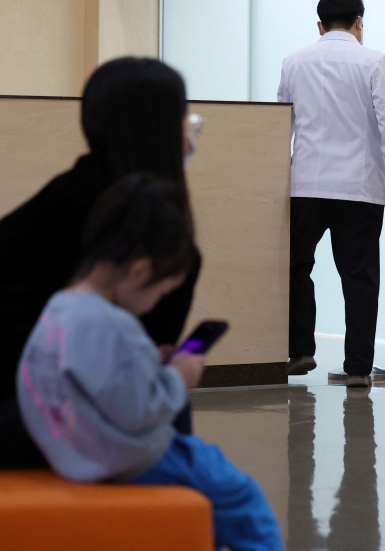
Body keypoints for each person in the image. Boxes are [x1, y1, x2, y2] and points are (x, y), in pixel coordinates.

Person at [0, 58, 202, 468]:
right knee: (172, 405)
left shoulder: (73, 190)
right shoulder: (140, 224)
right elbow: (145, 361)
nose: (192, 131)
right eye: (184, 118)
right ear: (160, 128)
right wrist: (183, 365)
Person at [18, 176, 282, 551]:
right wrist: (178, 376)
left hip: (71, 454)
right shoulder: (116, 326)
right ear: (140, 272)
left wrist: (144, 365)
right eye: (160, 292)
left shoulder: (59, 308)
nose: (155, 303)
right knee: (241, 497)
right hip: (129, 458)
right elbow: (142, 408)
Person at [277, 0, 385, 388]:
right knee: (359, 277)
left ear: (319, 25)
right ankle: (357, 367)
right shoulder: (373, 61)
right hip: (359, 187)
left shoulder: (293, 63)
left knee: (296, 267)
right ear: (359, 22)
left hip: (304, 185)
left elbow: (279, 126)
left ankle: (300, 348)